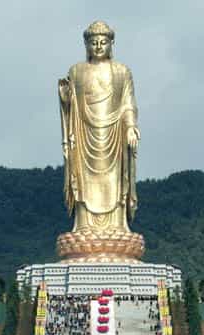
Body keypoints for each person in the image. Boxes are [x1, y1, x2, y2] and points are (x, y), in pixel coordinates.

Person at [58, 20, 140, 233]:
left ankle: (118, 224)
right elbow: (72, 104)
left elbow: (128, 103)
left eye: (103, 42)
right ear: (86, 45)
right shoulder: (77, 71)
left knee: (116, 180)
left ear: (112, 43)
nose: (98, 47)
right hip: (84, 135)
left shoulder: (122, 72)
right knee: (84, 179)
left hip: (115, 134)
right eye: (93, 42)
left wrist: (130, 126)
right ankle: (83, 225)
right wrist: (66, 99)